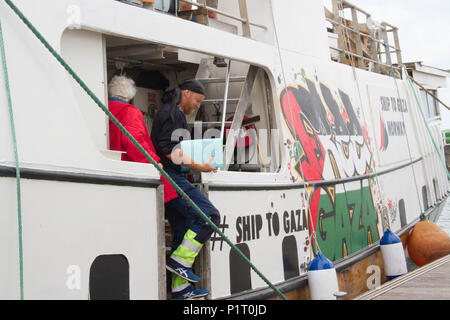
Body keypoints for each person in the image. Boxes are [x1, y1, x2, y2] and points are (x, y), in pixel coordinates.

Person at [151, 79, 221, 300]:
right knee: (209, 216)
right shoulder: (175, 114)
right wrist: (201, 166)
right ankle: (178, 262)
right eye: (198, 100)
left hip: (167, 179)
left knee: (182, 230)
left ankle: (181, 290)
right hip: (172, 177)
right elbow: (172, 152)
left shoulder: (168, 113)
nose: (199, 105)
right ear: (187, 93)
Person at [107, 75, 178, 202]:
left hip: (110, 171)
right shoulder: (130, 111)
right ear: (130, 95)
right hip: (131, 173)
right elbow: (134, 142)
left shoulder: (102, 108)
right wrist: (154, 162)